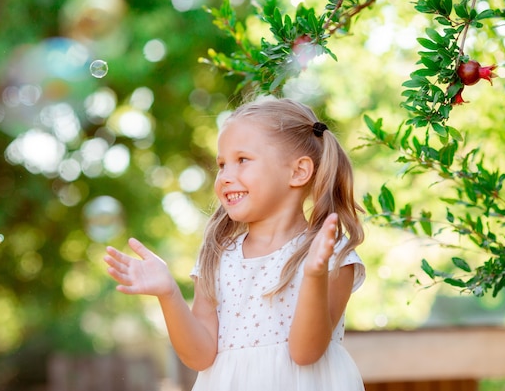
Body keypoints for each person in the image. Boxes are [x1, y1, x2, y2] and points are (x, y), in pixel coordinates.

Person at [104, 96, 366, 390]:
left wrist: (314, 276)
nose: (226, 177)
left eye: (242, 160)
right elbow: (200, 356)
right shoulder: (218, 257)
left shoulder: (331, 256)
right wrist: (169, 294)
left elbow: (305, 353)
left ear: (298, 171)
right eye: (222, 165)